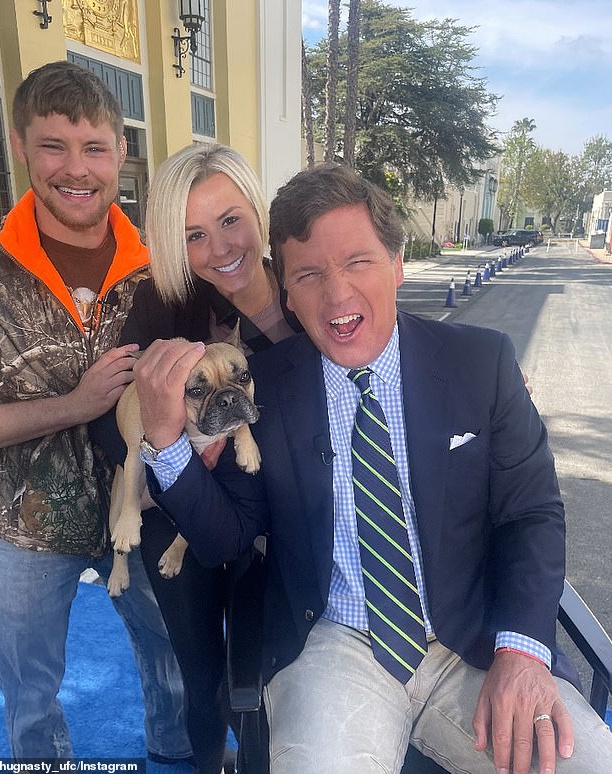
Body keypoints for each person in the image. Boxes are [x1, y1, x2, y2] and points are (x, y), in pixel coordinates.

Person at [133, 162, 612, 774]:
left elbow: (531, 513)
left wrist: (521, 651)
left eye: (357, 262)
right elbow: (224, 536)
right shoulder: (270, 390)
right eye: (308, 274)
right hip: (334, 644)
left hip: (474, 643)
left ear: (397, 263)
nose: (337, 297)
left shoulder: (480, 365)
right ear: (287, 290)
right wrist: (165, 441)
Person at [0, 61, 192, 763]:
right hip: (23, 526)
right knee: (29, 689)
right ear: (18, 145)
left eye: (94, 147)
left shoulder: (163, 263)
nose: (77, 169)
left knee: (171, 656)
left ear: (121, 152)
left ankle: (176, 752)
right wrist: (73, 405)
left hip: (146, 506)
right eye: (53, 146)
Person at [108, 143, 301, 774]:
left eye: (229, 219)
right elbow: (112, 424)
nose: (219, 248)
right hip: (181, 513)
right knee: (202, 678)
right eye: (193, 234)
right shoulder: (163, 305)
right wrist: (162, 469)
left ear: (257, 209)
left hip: (287, 517)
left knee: (277, 672)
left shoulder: (307, 292)